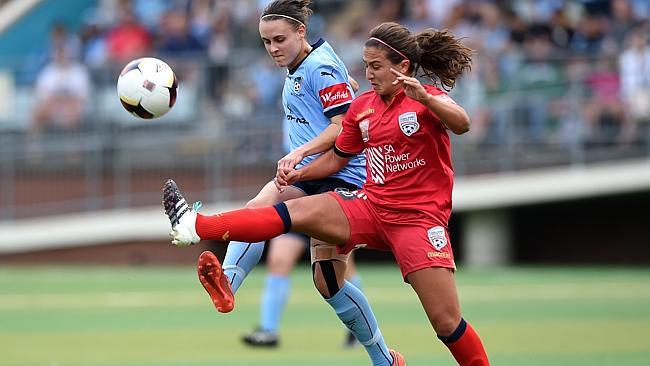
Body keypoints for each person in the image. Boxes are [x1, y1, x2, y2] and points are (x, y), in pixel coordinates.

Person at [165, 21, 490, 366]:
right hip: (371, 206)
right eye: (366, 65)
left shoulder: (423, 99)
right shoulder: (363, 106)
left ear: (403, 67)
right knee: (294, 212)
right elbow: (336, 158)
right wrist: (299, 172)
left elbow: (462, 122)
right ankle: (195, 225)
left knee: (446, 322)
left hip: (417, 221)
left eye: (376, 66)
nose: (368, 73)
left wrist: (426, 98)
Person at [194, 0, 391, 359]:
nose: (273, 49)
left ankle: (382, 356)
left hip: (341, 178)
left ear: (302, 31)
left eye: (279, 40)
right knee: (260, 209)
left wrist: (299, 153)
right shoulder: (300, 64)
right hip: (309, 175)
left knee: (328, 280)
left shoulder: (321, 68)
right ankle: (227, 284)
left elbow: (343, 127)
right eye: (266, 42)